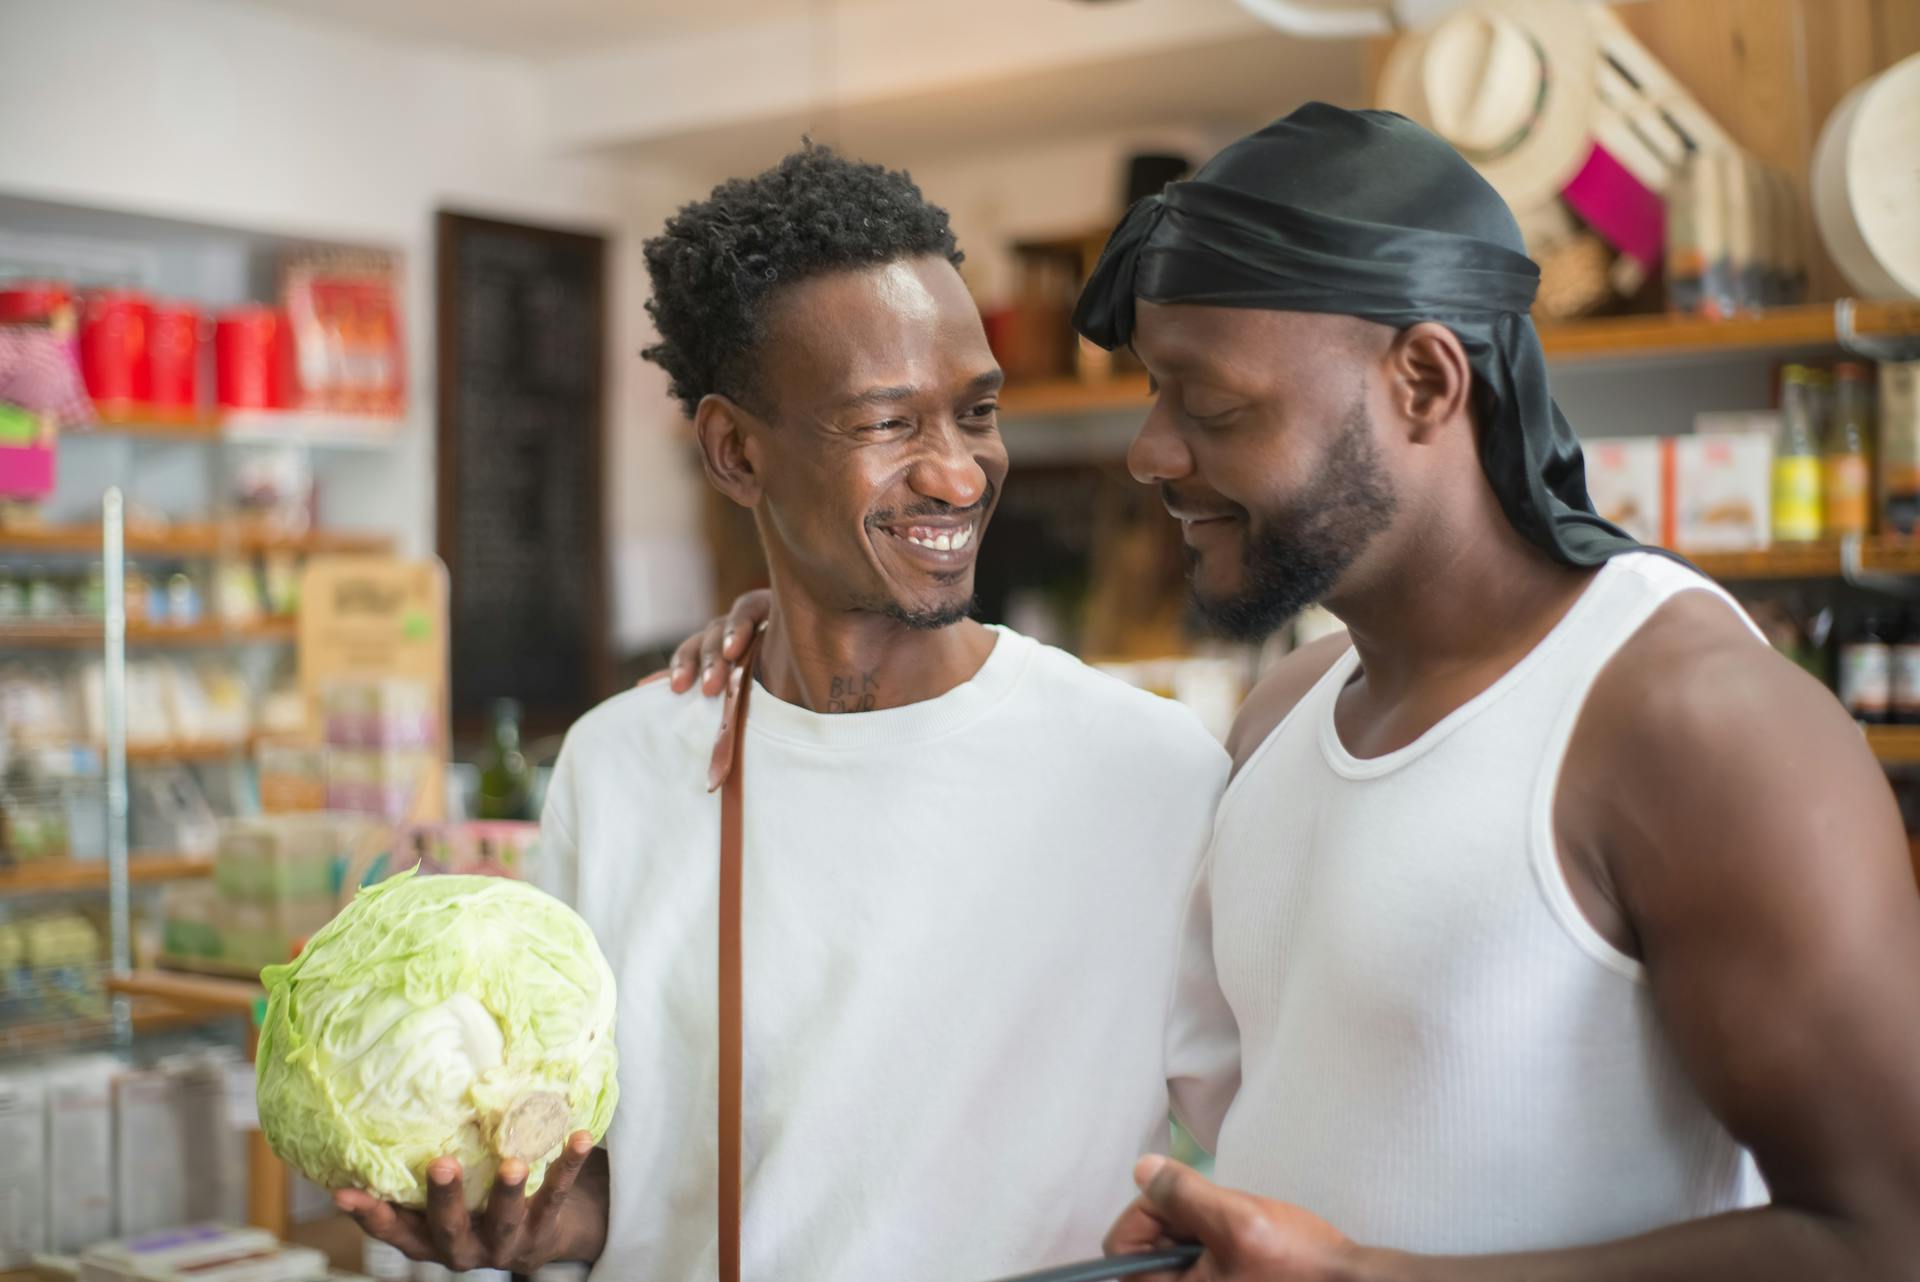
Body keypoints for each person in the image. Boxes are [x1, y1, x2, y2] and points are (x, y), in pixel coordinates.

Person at [683, 105, 1920, 1279]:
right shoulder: (1282, 718)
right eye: (1157, 395)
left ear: (1426, 383)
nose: (1153, 454)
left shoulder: (1696, 724)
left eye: (1211, 406)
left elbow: (1885, 1239)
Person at [339, 144, 1235, 1281]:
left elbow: (1268, 1164)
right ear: (734, 452)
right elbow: (627, 1169)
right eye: (890, 425)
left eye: (977, 411)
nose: (960, 474)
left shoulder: (1147, 774)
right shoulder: (621, 768)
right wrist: (532, 1222)